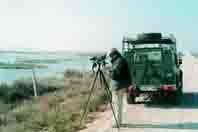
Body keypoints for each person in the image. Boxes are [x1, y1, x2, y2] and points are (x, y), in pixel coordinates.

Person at [108, 48, 131, 128]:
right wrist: (111, 69)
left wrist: (108, 72)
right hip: (119, 86)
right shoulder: (119, 60)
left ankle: (117, 123)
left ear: (115, 54)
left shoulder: (119, 61)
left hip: (118, 87)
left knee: (117, 105)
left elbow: (116, 75)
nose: (111, 58)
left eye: (111, 56)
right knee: (118, 105)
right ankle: (118, 122)